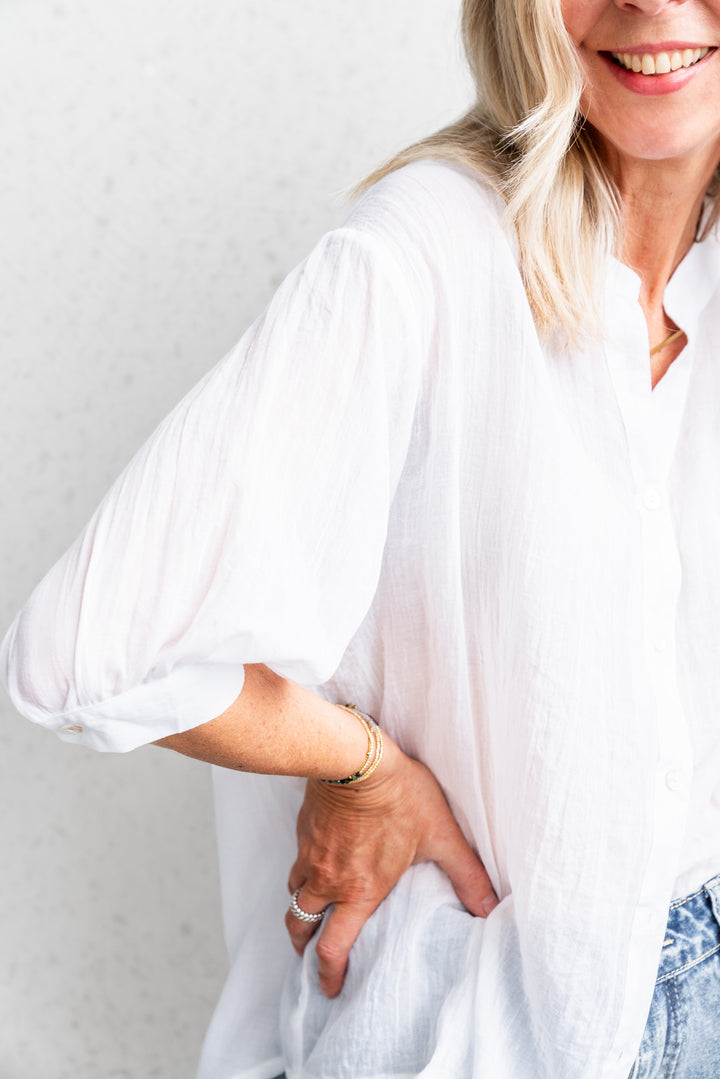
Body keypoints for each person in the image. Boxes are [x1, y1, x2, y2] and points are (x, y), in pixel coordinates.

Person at [3, 0, 720, 1073]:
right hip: (487, 1025)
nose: (652, 4)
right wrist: (364, 767)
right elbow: (84, 650)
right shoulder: (425, 249)